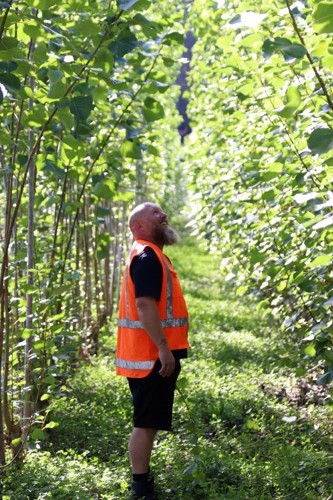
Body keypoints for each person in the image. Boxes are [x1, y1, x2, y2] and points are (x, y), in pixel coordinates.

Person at [116, 201, 189, 499]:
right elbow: (144, 306)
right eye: (156, 213)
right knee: (145, 423)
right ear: (140, 227)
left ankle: (142, 479)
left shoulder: (153, 255)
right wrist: (163, 348)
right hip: (151, 357)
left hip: (152, 355)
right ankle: (141, 485)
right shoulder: (146, 256)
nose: (164, 215)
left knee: (150, 420)